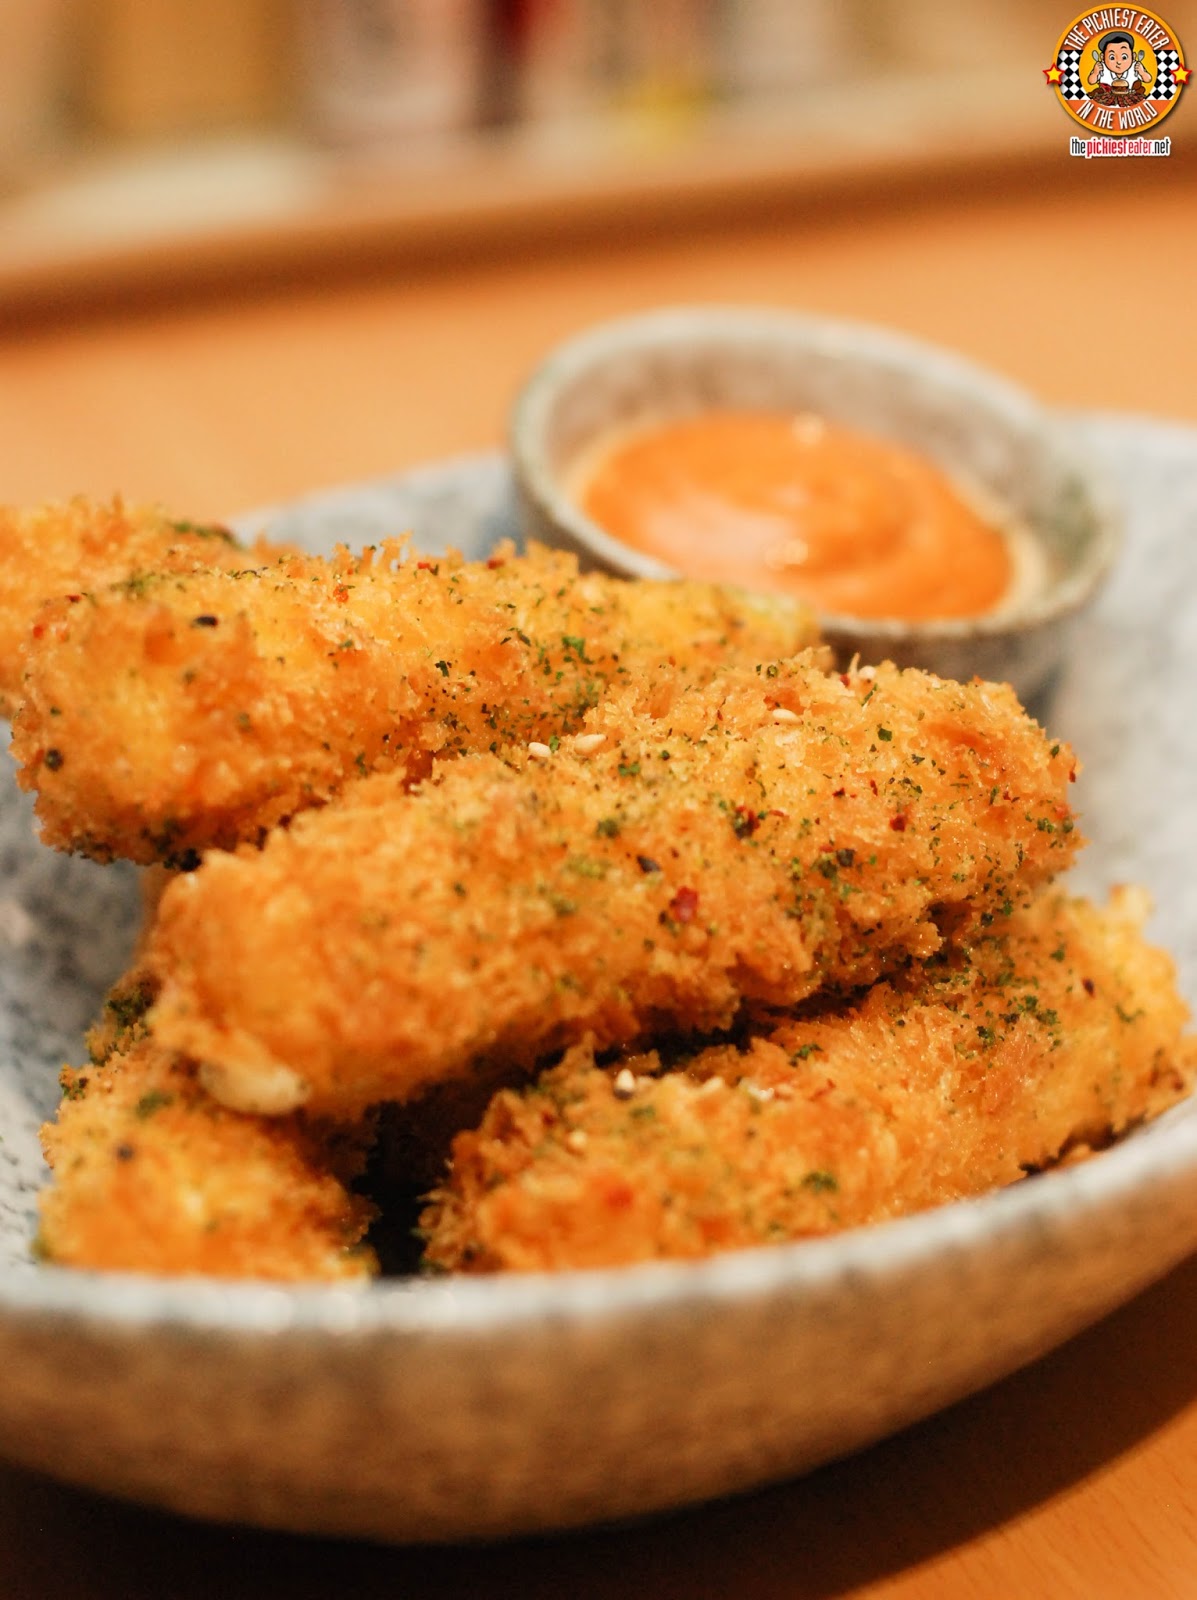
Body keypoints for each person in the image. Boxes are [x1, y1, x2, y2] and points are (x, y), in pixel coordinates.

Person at [1087, 31, 1151, 105]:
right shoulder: (1101, 67)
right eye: (1112, 57)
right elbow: (1091, 81)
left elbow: (1148, 79)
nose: (1118, 62)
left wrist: (1142, 73)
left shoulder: (1136, 66)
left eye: (1124, 57)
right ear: (1102, 57)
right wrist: (1095, 73)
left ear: (1133, 56)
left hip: (1131, 99)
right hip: (1107, 100)